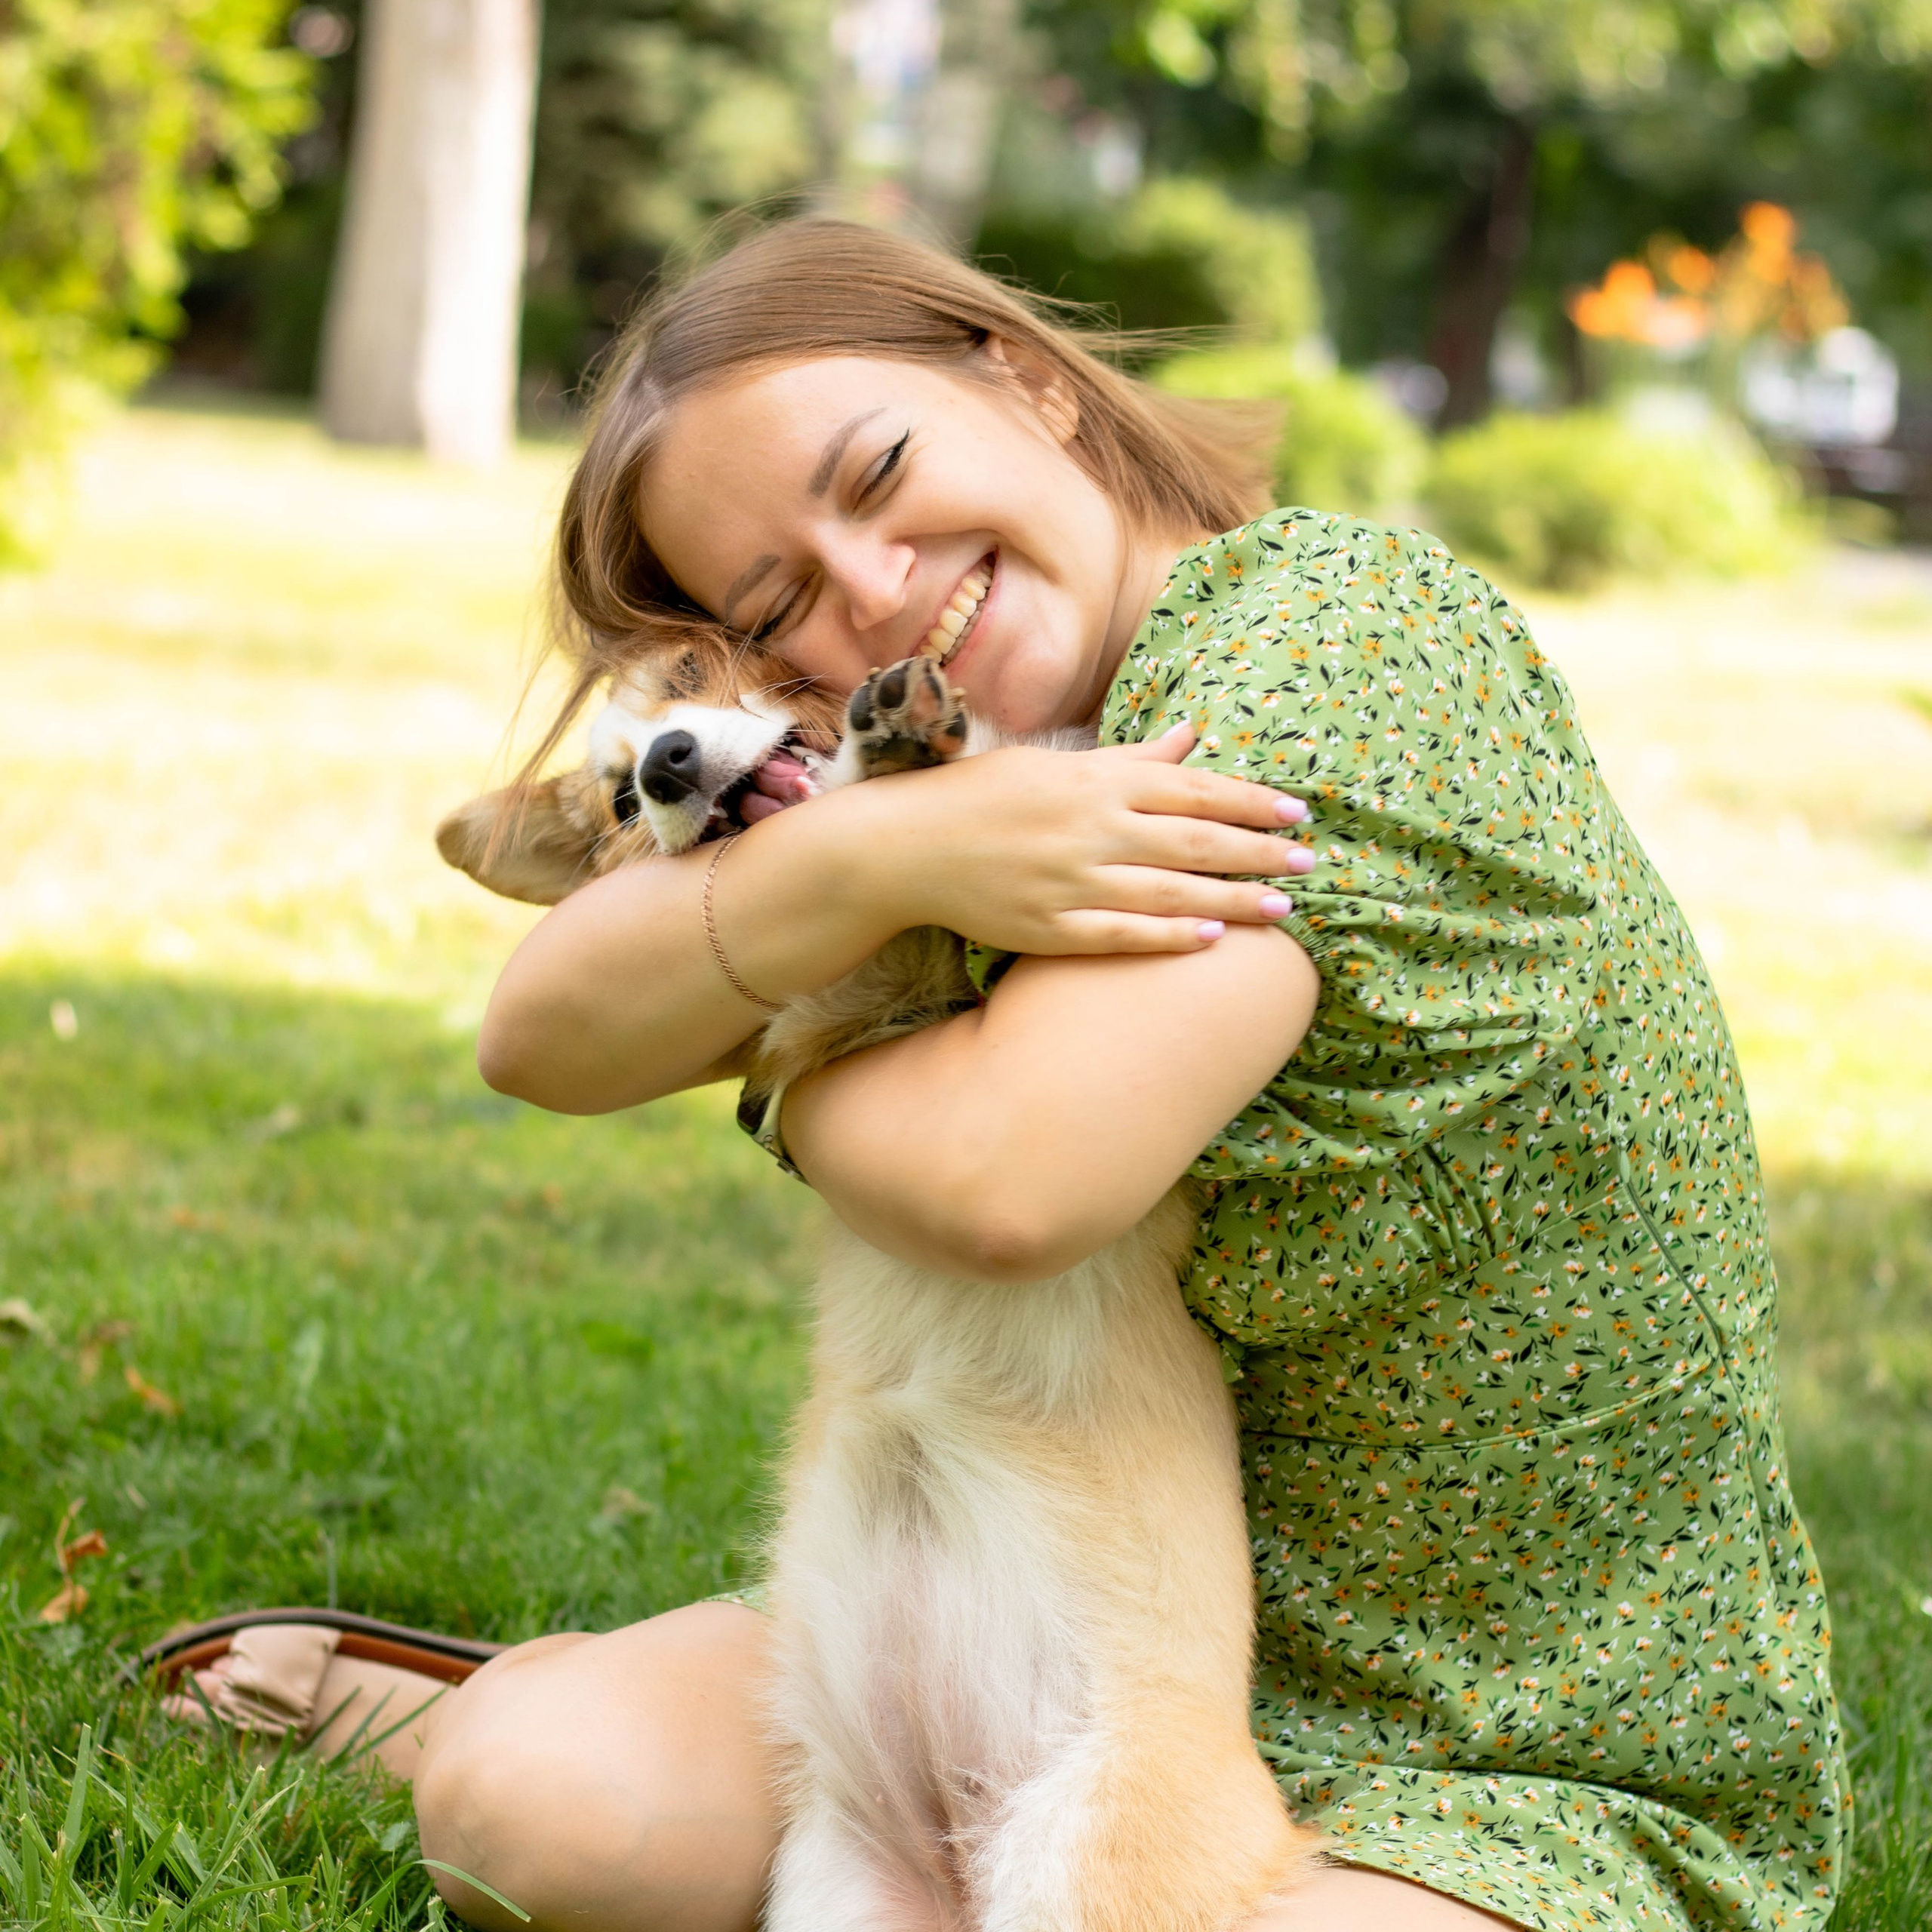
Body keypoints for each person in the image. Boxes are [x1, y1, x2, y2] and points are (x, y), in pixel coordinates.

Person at [163, 220, 1847, 1932]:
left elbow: (1002, 1183)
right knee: (540, 1810)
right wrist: (884, 846)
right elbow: (537, 1029)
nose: (871, 589)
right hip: (1060, 1609)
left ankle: (500, 1696)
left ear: (1027, 380)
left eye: (879, 473)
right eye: (778, 605)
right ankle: (497, 1706)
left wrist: (785, 1045)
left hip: (1508, 1757)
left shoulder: (1335, 646)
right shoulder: (930, 777)